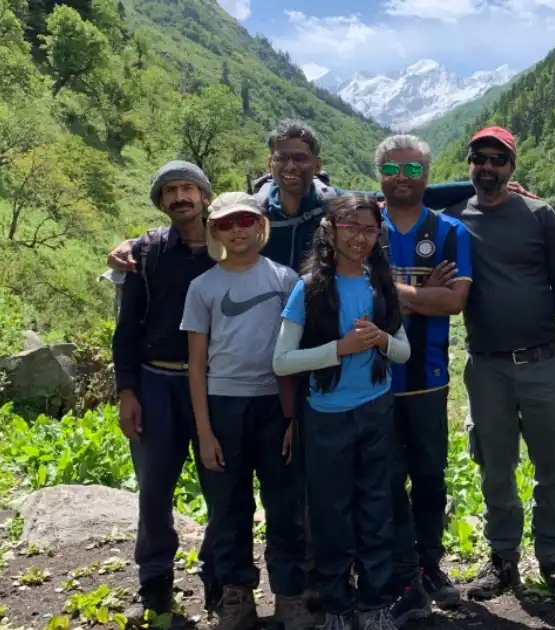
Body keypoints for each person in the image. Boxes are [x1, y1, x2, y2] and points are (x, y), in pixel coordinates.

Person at [104, 120, 534, 273]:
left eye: (301, 159)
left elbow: (397, 194)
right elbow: (198, 224)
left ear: (315, 163)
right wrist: (139, 244)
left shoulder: (333, 204)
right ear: (270, 164)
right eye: (282, 159)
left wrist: (475, 185)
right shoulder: (251, 212)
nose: (291, 167)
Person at [442, 127, 555, 601]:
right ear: (469, 166)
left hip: (545, 361)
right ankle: (502, 558)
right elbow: (398, 200)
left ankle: (552, 556)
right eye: (479, 159)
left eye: (497, 160)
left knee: (553, 467)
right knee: (494, 467)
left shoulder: (540, 215)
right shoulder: (453, 221)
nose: (488, 167)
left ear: (512, 167)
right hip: (487, 366)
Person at [272, 192, 412, 630]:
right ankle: (337, 604)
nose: (361, 237)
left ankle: (375, 603)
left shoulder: (380, 283)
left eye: (370, 229)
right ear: (330, 231)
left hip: (375, 409)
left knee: (376, 507)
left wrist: (380, 341)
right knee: (331, 512)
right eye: (350, 227)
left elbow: (403, 351)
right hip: (326, 414)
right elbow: (282, 361)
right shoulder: (309, 288)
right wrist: (341, 348)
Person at [180, 192, 309, 630]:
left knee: (284, 503)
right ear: (215, 230)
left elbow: (297, 352)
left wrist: (293, 418)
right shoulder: (203, 287)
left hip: (275, 405)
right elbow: (196, 365)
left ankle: (290, 595)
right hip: (222, 407)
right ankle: (236, 596)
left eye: (246, 221)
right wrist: (204, 430)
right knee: (229, 507)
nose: (237, 230)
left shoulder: (285, 279)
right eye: (227, 223)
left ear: (260, 227)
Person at [111, 161, 218, 625]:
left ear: (204, 195)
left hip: (216, 386)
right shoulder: (146, 253)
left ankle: (221, 584)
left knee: (222, 487)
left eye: (188, 188)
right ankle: (154, 589)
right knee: (154, 491)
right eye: (170, 191)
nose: (180, 197)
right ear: (160, 202)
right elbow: (125, 328)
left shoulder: (228, 245)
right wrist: (126, 391)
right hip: (155, 383)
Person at [373, 134, 473, 624]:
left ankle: (430, 564)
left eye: (414, 170)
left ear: (428, 176)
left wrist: (392, 290)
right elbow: (354, 294)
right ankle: (402, 572)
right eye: (393, 169)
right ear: (379, 174)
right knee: (386, 480)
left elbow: (454, 302)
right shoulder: (362, 225)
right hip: (369, 378)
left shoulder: (451, 231)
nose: (403, 178)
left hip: (428, 377)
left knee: (429, 478)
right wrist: (420, 291)